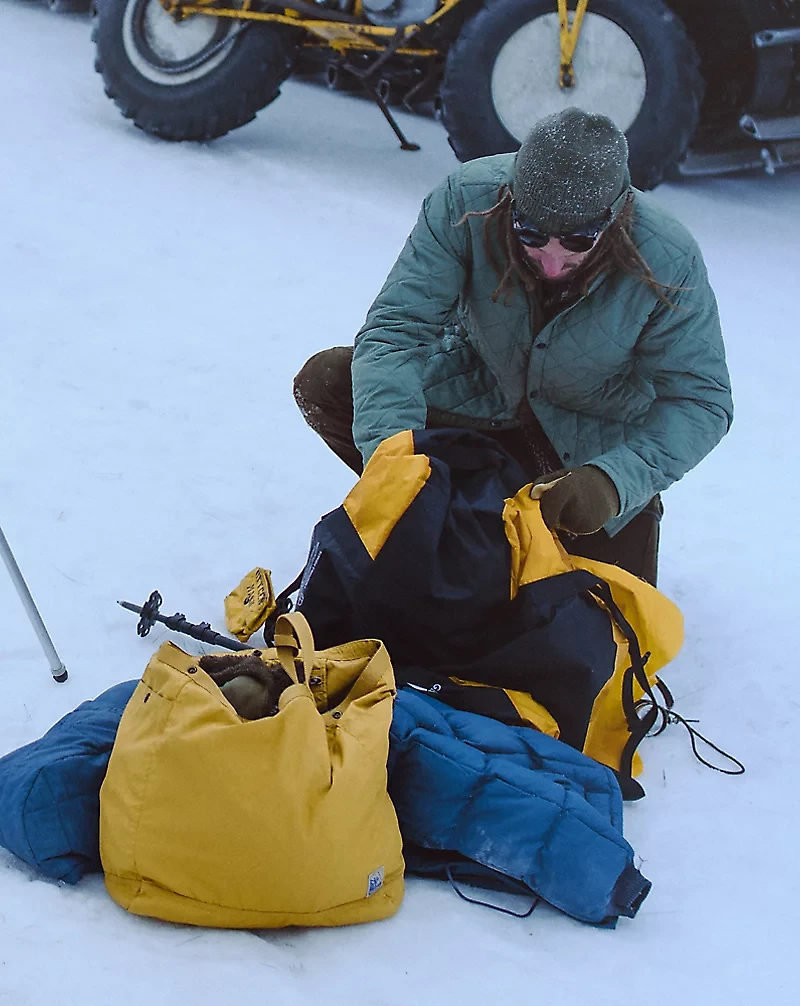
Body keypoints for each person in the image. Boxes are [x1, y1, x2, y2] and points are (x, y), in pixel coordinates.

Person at [293, 107, 733, 586]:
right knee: (331, 379)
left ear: (615, 216)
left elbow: (701, 401)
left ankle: (537, 524)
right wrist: (390, 456)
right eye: (531, 234)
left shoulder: (669, 258)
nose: (550, 259)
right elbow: (398, 329)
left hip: (584, 450)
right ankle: (447, 510)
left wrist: (612, 482)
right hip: (478, 398)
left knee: (604, 619)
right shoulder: (464, 200)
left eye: (578, 240)